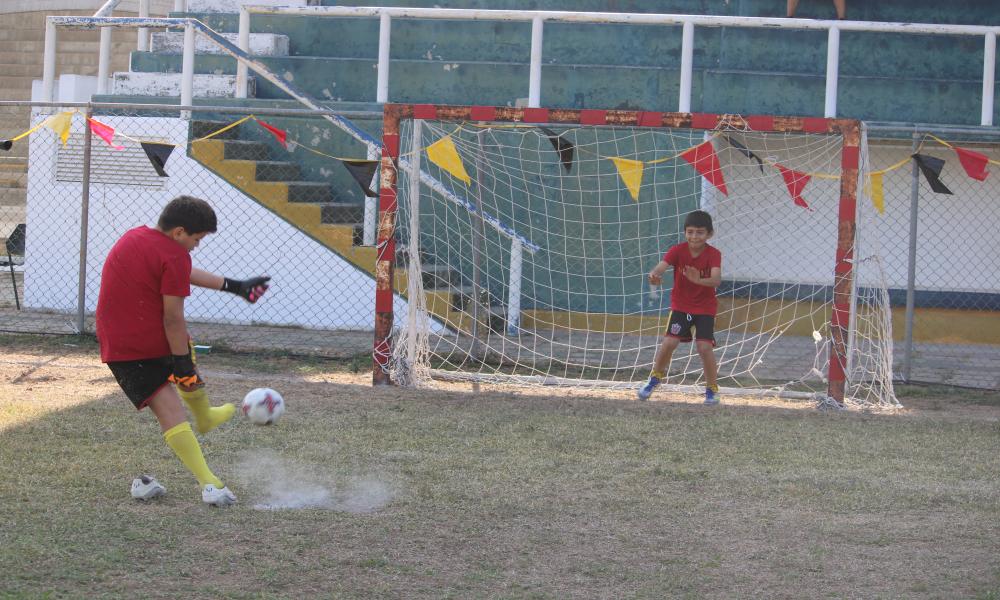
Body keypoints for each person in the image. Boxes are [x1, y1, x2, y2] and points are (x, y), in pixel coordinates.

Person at [96, 195, 270, 506]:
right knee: (172, 408)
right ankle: (210, 484)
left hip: (120, 340)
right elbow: (172, 317)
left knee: (183, 353)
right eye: (197, 239)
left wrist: (235, 286)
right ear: (179, 232)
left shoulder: (137, 236)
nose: (197, 246)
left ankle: (204, 416)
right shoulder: (175, 256)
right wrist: (181, 363)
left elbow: (179, 271)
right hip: (138, 347)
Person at [637, 210, 722, 405]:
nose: (694, 236)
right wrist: (654, 276)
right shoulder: (677, 250)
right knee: (669, 343)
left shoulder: (714, 254)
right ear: (685, 232)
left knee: (704, 347)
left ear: (709, 234)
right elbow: (660, 268)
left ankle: (711, 389)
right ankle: (654, 379)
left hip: (705, 308)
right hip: (681, 306)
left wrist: (697, 279)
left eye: (700, 232)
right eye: (690, 232)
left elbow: (716, 280)